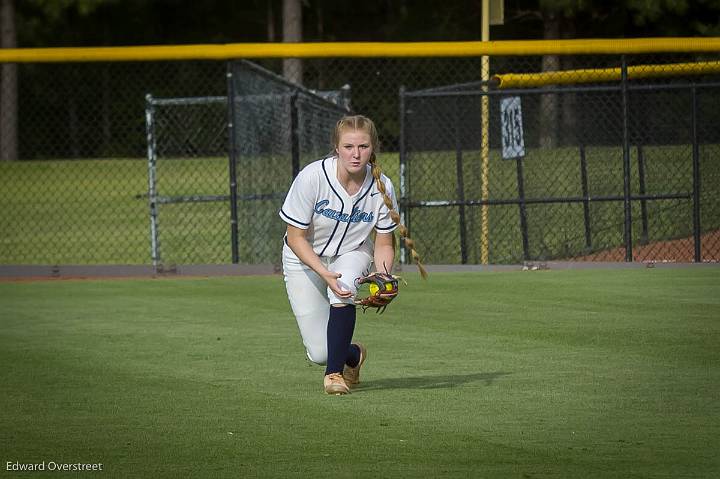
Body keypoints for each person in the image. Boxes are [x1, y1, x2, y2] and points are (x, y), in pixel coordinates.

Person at [279, 114, 426, 395]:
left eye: (363, 146)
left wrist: (383, 273)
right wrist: (323, 272)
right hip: (304, 258)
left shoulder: (382, 186)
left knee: (343, 287)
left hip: (353, 251)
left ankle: (333, 376)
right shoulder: (313, 177)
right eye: (348, 147)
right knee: (319, 352)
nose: (355, 154)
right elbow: (296, 238)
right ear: (336, 147)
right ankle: (352, 355)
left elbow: (384, 242)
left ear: (373, 148)